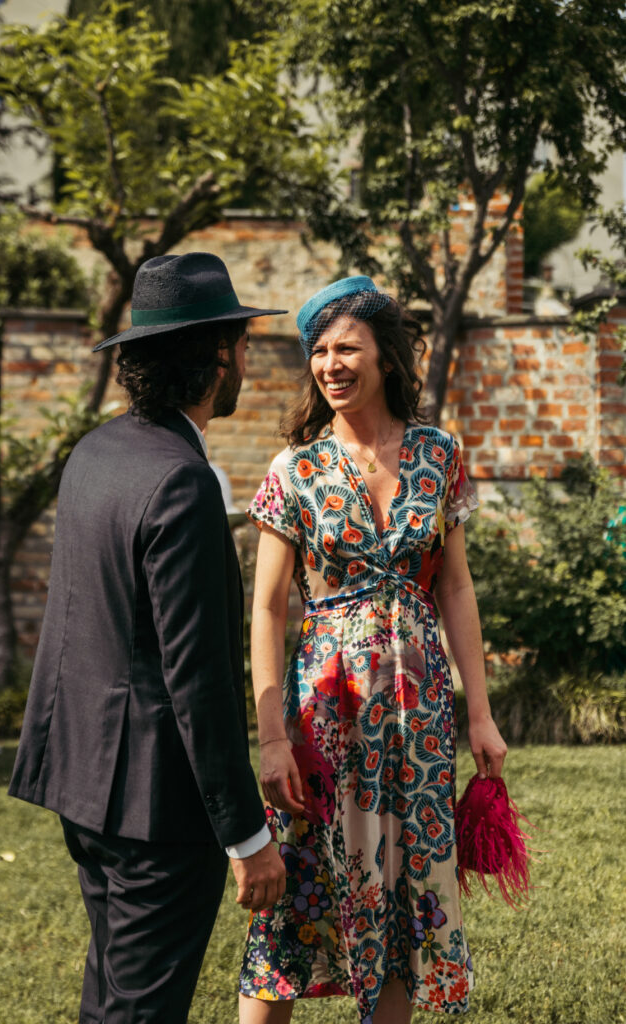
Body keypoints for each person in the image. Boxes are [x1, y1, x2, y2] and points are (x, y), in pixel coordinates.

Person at [9, 252, 287, 1024]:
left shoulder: (94, 452)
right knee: (138, 1013)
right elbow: (196, 681)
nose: (245, 362)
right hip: (155, 812)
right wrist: (247, 838)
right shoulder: (181, 482)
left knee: (114, 996)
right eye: (240, 345)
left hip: (83, 783)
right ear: (217, 356)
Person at [238, 276, 507, 1024]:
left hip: (416, 722)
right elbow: (263, 608)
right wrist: (268, 738)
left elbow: (454, 590)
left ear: (385, 358)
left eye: (346, 348)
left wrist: (477, 715)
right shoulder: (294, 470)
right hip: (323, 719)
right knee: (296, 899)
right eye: (318, 352)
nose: (330, 364)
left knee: (403, 896)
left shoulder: (437, 454)